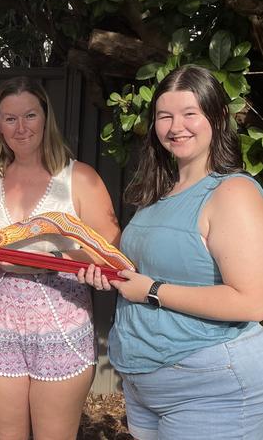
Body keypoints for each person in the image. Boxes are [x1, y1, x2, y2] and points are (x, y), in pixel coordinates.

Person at [79, 65, 263, 439]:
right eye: (165, 116)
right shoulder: (160, 194)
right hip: (145, 385)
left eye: (189, 113)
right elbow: (148, 270)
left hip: (210, 388)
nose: (176, 126)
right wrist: (112, 273)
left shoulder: (232, 192)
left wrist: (151, 290)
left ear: (218, 117)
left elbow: (252, 300)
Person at [0, 76, 121, 440]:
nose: (21, 128)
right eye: (10, 118)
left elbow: (111, 252)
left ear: (46, 117)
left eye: (30, 115)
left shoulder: (80, 178)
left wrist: (64, 254)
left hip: (61, 326)